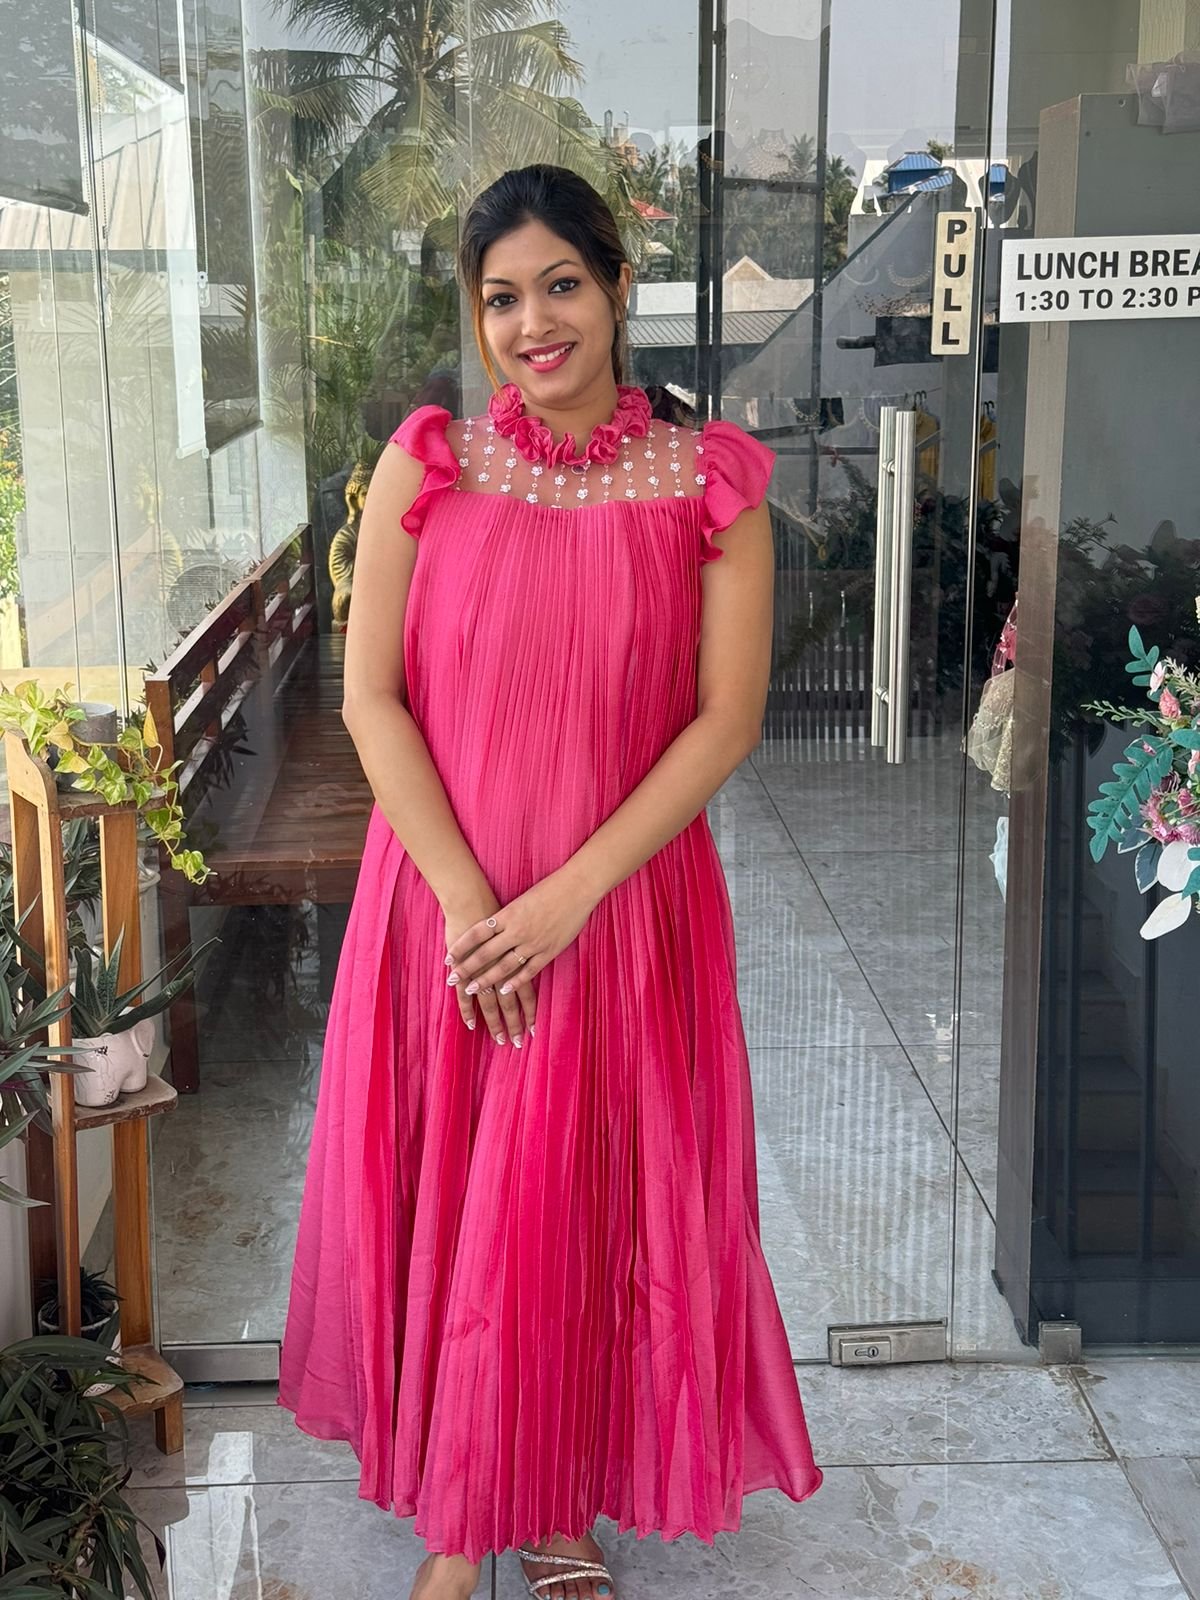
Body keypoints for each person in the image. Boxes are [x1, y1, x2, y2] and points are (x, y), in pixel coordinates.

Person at [277, 163, 823, 1600]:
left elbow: (727, 720)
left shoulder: (710, 485)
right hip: (442, 909)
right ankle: (464, 1514)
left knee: (581, 1208)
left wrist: (568, 898)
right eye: (501, 297)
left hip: (618, 910)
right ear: (476, 314)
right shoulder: (429, 464)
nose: (534, 324)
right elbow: (371, 698)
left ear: (619, 286)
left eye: (562, 285)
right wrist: (471, 905)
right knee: (464, 1198)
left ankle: (558, 1501)